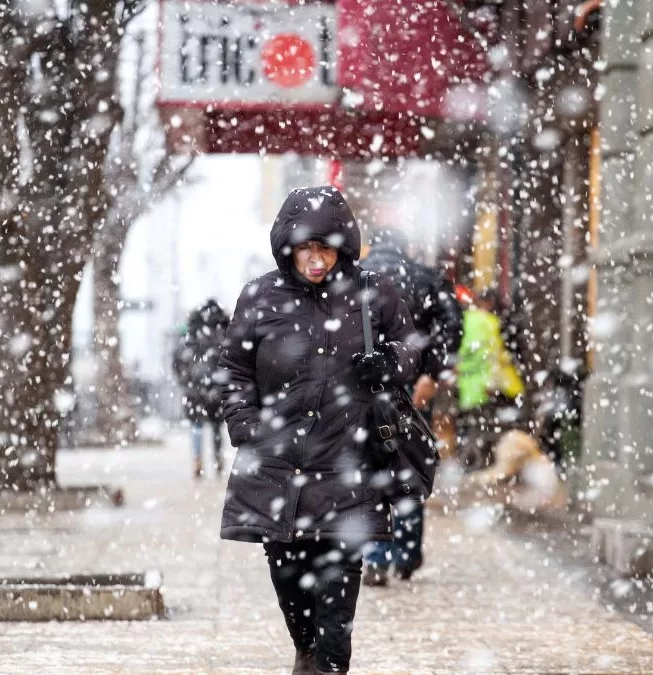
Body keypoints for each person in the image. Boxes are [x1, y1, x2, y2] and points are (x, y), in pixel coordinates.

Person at [217, 186, 420, 675]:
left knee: (339, 583)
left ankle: (329, 664)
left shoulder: (373, 294)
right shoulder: (260, 297)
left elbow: (411, 347)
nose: (315, 259)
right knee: (287, 575)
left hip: (348, 464)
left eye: (325, 248)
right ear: (288, 247)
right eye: (306, 248)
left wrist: (388, 364)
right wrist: (246, 426)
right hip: (277, 467)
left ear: (342, 248)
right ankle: (306, 648)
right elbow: (234, 370)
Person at [358, 228, 463, 586]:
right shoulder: (428, 279)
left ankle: (375, 554)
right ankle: (405, 552)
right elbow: (452, 326)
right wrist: (431, 374)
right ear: (407, 247)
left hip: (365, 386)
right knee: (409, 462)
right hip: (413, 385)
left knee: (371, 466)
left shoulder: (355, 277)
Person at [456, 292, 525, 470]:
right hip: (484, 383)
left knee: (473, 427)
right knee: (484, 428)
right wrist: (492, 382)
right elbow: (492, 355)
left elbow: (461, 353)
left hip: (468, 384)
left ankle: (469, 464)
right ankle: (480, 464)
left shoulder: (464, 320)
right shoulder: (488, 322)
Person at [172, 300, 230, 478]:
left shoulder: (191, 334)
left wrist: (186, 380)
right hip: (216, 389)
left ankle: (197, 460)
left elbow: (178, 360)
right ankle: (218, 459)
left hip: (194, 389)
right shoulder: (222, 333)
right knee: (216, 427)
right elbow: (231, 361)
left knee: (197, 426)